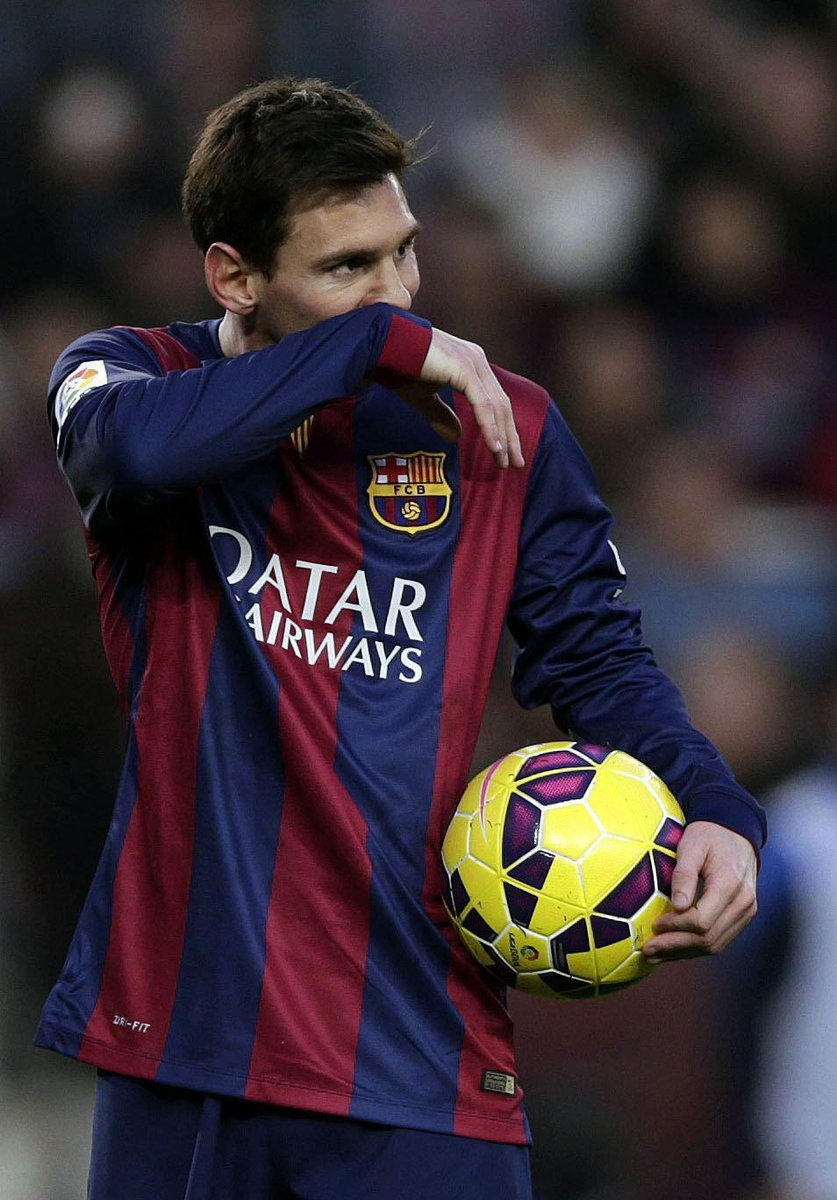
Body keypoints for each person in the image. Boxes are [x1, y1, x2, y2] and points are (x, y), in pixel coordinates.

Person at [36, 77, 762, 1200]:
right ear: (233, 275)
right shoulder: (135, 379)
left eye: (402, 255)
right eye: (346, 270)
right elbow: (121, 456)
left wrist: (713, 807)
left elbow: (596, 655)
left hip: (418, 1050)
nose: (398, 298)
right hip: (183, 1044)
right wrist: (367, 348)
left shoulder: (496, 424)